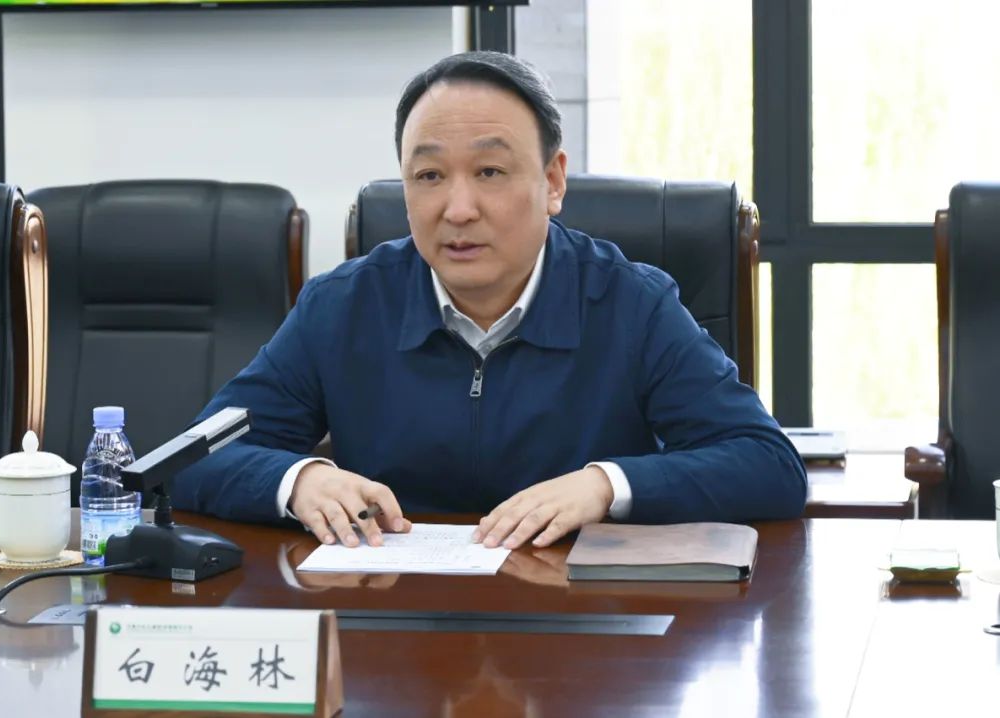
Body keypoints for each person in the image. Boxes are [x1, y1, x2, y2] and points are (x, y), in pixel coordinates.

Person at [173, 51, 806, 549]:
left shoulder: (630, 303)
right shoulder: (344, 306)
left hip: (580, 628)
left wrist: (606, 485)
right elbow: (191, 458)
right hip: (394, 623)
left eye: (490, 173)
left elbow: (766, 463)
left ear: (552, 181)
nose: (458, 209)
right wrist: (298, 480)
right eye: (428, 176)